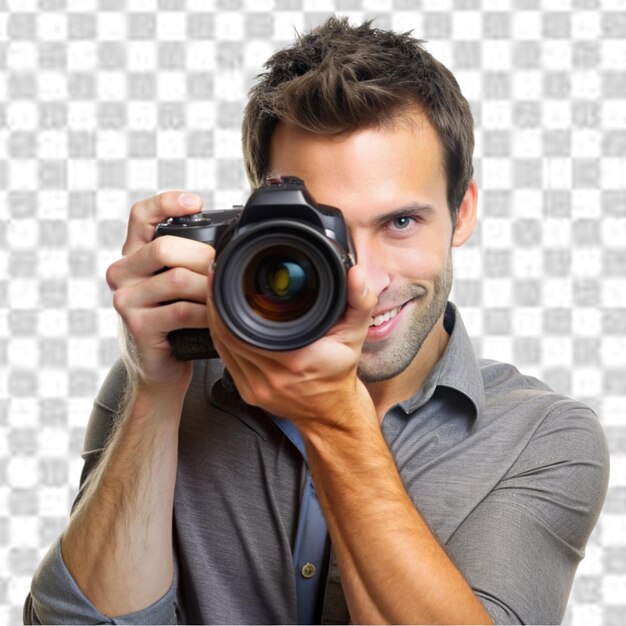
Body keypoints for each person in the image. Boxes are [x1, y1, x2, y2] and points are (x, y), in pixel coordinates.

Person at [25, 17, 609, 625]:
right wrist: (153, 392)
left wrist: (335, 422)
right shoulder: (173, 378)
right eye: (323, 231)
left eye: (400, 222)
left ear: (462, 212)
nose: (364, 281)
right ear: (260, 216)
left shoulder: (543, 437)